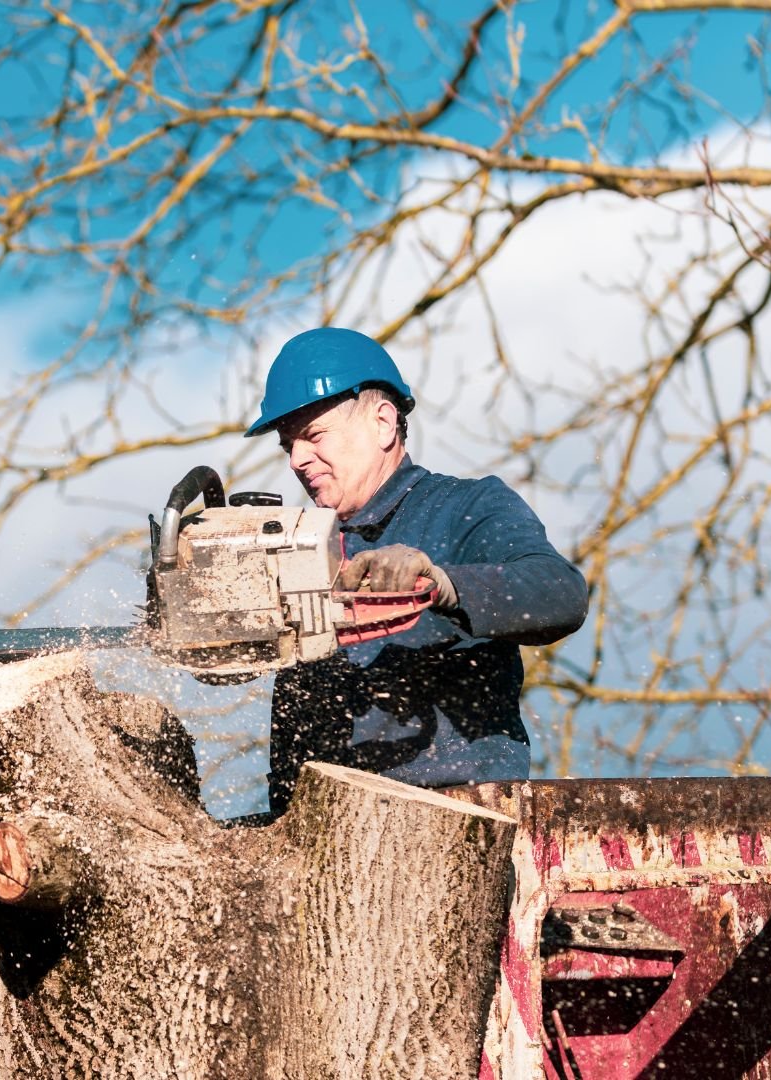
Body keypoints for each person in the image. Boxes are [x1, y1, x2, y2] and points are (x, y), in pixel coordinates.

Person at [248, 327, 588, 813]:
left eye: (313, 435)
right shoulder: (294, 548)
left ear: (383, 423)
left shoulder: (465, 507)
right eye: (288, 446)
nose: (297, 459)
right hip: (312, 830)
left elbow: (559, 594)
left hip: (453, 814)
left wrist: (445, 586)